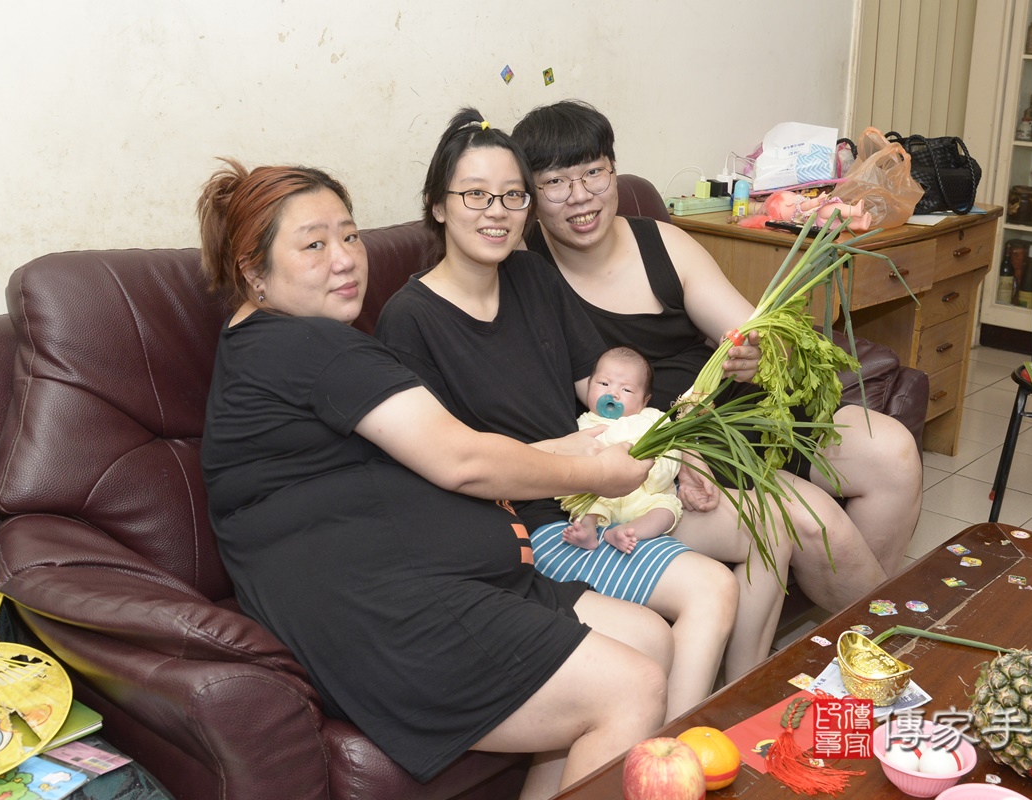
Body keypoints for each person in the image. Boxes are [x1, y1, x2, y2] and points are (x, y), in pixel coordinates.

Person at [196, 158, 677, 798]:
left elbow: (421, 452)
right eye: (313, 245)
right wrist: (596, 471)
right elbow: (460, 459)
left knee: (651, 638)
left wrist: (561, 448)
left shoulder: (281, 342)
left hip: (444, 579)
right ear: (254, 272)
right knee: (632, 685)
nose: (345, 260)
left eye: (350, 235)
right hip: (384, 611)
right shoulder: (304, 346)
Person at [376, 108, 789, 715]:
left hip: (595, 490)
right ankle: (671, 750)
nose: (497, 211)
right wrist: (576, 463)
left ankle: (740, 706)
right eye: (475, 195)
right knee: (711, 589)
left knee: (770, 526)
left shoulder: (530, 276)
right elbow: (441, 467)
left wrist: (676, 456)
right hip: (530, 519)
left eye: (512, 195)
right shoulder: (410, 318)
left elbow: (602, 397)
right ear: (438, 205)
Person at [512, 100, 924, 612]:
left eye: (594, 173)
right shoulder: (528, 275)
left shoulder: (663, 243)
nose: (580, 197)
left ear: (613, 170)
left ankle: (859, 627)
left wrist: (759, 355)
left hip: (742, 412)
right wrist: (683, 452)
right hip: (674, 446)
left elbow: (756, 332)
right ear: (530, 194)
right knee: (817, 521)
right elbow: (596, 410)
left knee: (892, 452)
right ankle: (880, 634)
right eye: (555, 182)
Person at [561, 345, 682, 555]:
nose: (613, 393)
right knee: (579, 499)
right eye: (604, 383)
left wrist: (654, 473)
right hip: (599, 495)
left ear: (645, 399)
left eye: (626, 390)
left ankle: (628, 531)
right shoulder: (583, 424)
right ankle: (587, 530)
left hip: (646, 495)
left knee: (667, 510)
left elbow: (672, 452)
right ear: (589, 385)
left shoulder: (654, 419)